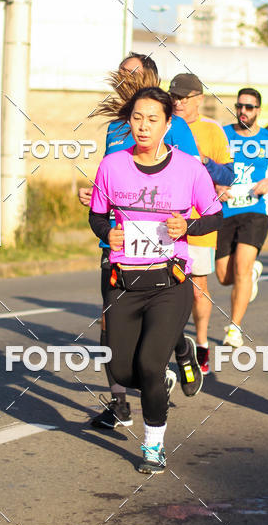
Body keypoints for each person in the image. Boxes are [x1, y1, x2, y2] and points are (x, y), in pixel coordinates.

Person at [89, 86, 223, 473]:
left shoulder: (189, 169)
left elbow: (215, 214)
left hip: (169, 282)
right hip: (123, 282)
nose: (143, 127)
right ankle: (181, 349)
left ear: (168, 124)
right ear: (128, 121)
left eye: (152, 119)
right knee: (123, 369)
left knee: (149, 366)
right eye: (137, 118)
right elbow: (98, 215)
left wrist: (189, 224)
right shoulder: (112, 165)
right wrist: (105, 233)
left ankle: (153, 445)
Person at [78, 54, 200, 430]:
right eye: (121, 71)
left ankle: (179, 350)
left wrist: (181, 220)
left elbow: (189, 177)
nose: (123, 77)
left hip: (165, 248)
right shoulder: (117, 128)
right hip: (118, 246)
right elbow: (111, 178)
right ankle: (119, 403)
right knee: (109, 326)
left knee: (155, 321)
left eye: (132, 72)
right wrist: (97, 197)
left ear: (150, 76)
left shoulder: (170, 124)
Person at [215, 88, 268, 348]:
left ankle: (234, 329)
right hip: (225, 211)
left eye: (249, 107)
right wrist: (216, 187)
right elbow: (205, 168)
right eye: (240, 106)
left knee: (241, 268)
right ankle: (253, 274)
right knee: (224, 276)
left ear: (258, 110)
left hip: (255, 211)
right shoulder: (222, 135)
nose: (244, 111)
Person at [169, 72, 234, 374]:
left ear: (200, 99)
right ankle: (171, 341)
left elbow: (228, 176)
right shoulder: (161, 123)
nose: (178, 102)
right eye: (175, 96)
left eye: (184, 97)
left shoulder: (212, 129)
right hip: (167, 220)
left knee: (197, 287)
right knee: (167, 285)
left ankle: (202, 342)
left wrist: (206, 163)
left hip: (200, 218)